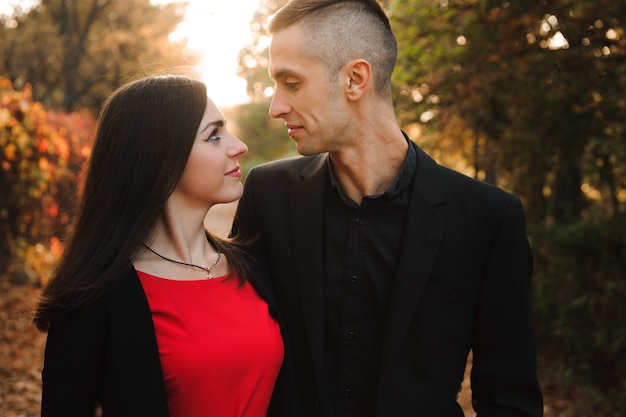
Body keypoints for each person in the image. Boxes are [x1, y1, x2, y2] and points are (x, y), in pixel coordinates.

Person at [231, 0, 544, 416]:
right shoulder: (267, 194)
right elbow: (231, 343)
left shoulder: (487, 218)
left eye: (291, 82)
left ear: (356, 79)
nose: (276, 107)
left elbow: (509, 399)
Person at [34, 74, 292, 417]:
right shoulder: (93, 299)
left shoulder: (255, 267)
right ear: (162, 157)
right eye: (214, 135)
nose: (238, 146)